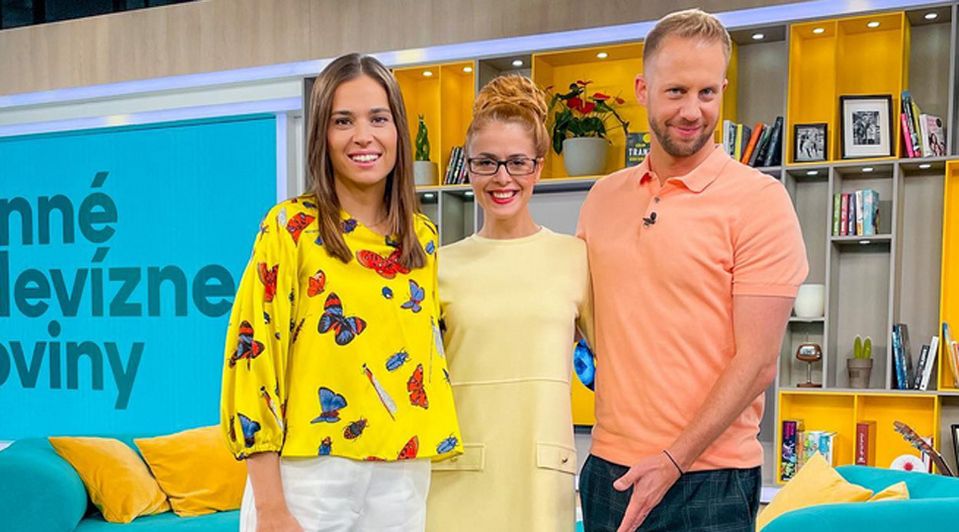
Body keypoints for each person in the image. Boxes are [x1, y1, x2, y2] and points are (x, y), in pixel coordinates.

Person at [576, 9, 808, 532]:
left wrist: (673, 460)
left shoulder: (761, 201)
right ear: (643, 90)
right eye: (676, 91)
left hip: (710, 479)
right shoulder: (602, 198)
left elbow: (757, 363)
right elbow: (574, 317)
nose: (692, 111)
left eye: (707, 92)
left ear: (723, 89)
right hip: (608, 469)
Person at [220, 53, 462, 532]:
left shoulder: (423, 239)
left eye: (379, 118)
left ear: (398, 131)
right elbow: (252, 361)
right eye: (343, 121)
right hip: (308, 475)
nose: (363, 136)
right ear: (321, 136)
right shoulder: (290, 229)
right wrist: (270, 506)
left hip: (403, 472)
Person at [426, 74, 591, 532]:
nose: (503, 178)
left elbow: (615, 369)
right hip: (455, 481)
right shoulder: (438, 266)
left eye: (518, 162)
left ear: (538, 167)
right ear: (469, 170)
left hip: (542, 481)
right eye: (487, 163)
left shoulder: (575, 258)